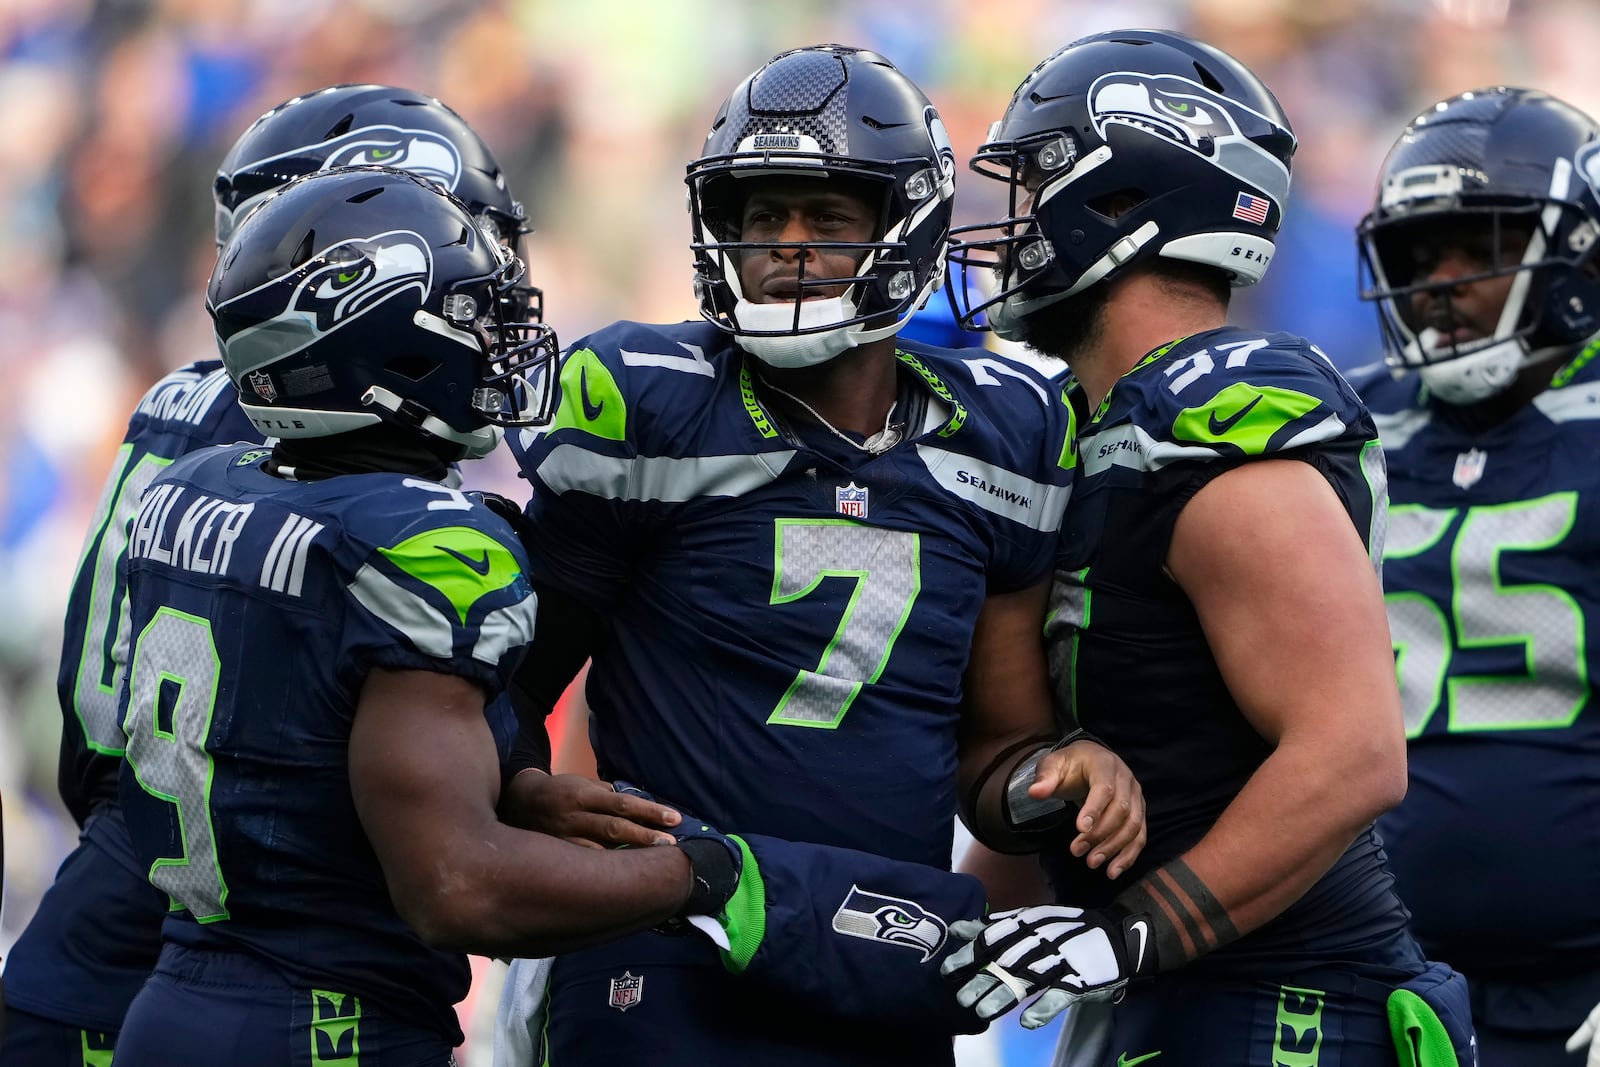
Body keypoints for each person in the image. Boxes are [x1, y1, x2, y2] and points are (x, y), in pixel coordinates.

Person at [499, 43, 1145, 1067]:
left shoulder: (1004, 431)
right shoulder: (648, 401)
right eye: (761, 218)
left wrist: (1058, 774)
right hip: (668, 947)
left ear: (908, 227)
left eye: (827, 219)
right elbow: (505, 686)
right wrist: (519, 781)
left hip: (881, 950)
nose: (786, 247)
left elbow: (997, 750)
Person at [0, 84, 670, 1063]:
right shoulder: (342, 466)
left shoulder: (193, 431)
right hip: (260, 972)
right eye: (448, 241)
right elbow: (432, 857)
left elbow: (97, 749)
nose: (478, 274)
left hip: (135, 932)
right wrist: (716, 878)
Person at [936, 29, 1478, 1065]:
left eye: (1037, 181)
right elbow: (1028, 761)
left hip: (1289, 999)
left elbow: (1353, 753)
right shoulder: (1075, 425)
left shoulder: (1212, 428)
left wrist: (1126, 934)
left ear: (1120, 202)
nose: (1007, 226)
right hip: (1156, 990)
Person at [1354, 86, 1600, 1067]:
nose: (1439, 282)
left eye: (1477, 245)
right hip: (1378, 976)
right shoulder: (1342, 424)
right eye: (1417, 255)